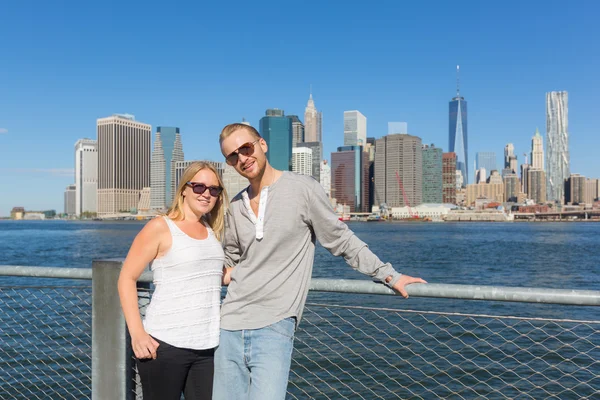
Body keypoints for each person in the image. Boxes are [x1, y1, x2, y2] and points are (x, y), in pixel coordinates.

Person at [214, 123, 427, 400]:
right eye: (232, 155)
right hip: (228, 325)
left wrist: (390, 275)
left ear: (262, 144)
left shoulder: (302, 188)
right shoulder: (235, 205)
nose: (242, 158)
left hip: (274, 324)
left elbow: (341, 240)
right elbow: (228, 259)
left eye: (246, 148)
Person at [118, 161, 227, 400]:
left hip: (207, 346)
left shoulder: (211, 230)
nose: (206, 193)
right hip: (165, 344)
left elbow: (216, 274)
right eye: (199, 187)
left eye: (214, 189)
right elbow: (127, 278)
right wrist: (138, 334)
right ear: (184, 189)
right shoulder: (160, 226)